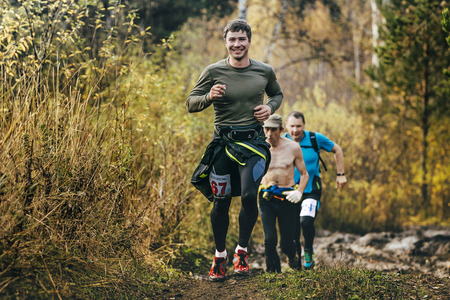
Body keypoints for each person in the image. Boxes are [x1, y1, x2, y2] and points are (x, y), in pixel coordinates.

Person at [186, 19, 283, 281]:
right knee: (221, 201)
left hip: (254, 144)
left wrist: (270, 109)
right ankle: (220, 255)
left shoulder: (264, 71)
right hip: (223, 146)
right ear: (226, 42)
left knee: (250, 195)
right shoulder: (213, 71)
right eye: (232, 39)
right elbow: (191, 103)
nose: (237, 44)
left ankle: (242, 250)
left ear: (249, 41)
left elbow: (277, 95)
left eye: (242, 39)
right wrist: (209, 97)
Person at [284, 111, 347, 270]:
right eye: (292, 126)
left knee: (305, 221)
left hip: (311, 189)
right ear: (286, 126)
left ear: (304, 125)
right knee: (292, 231)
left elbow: (337, 150)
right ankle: (296, 264)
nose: (295, 130)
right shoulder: (281, 140)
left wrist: (340, 174)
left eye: (299, 126)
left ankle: (309, 250)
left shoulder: (314, 139)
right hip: (290, 190)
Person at [258, 114, 309, 273]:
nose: (269, 134)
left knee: (287, 242)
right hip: (267, 197)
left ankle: (292, 257)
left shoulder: (293, 147)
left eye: (273, 130)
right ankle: (273, 272)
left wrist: (299, 192)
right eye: (266, 129)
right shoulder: (258, 147)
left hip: (288, 197)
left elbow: (304, 174)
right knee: (269, 238)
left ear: (280, 129)